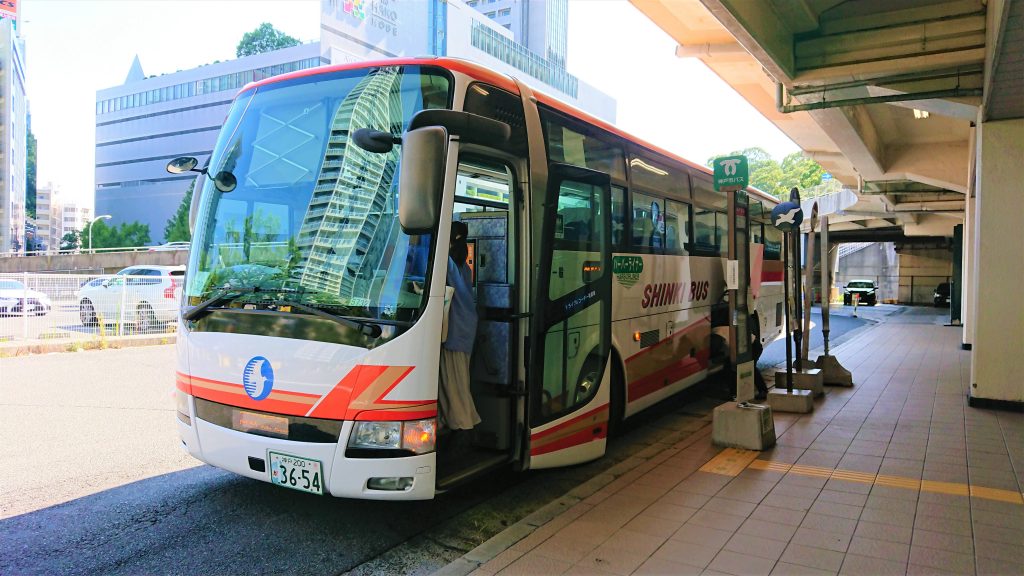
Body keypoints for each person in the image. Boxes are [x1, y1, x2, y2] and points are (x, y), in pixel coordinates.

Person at [439, 220, 481, 431]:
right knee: (459, 382)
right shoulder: (463, 266)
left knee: (453, 385)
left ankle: (463, 424)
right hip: (464, 329)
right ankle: (461, 422)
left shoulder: (445, 263)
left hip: (454, 331)